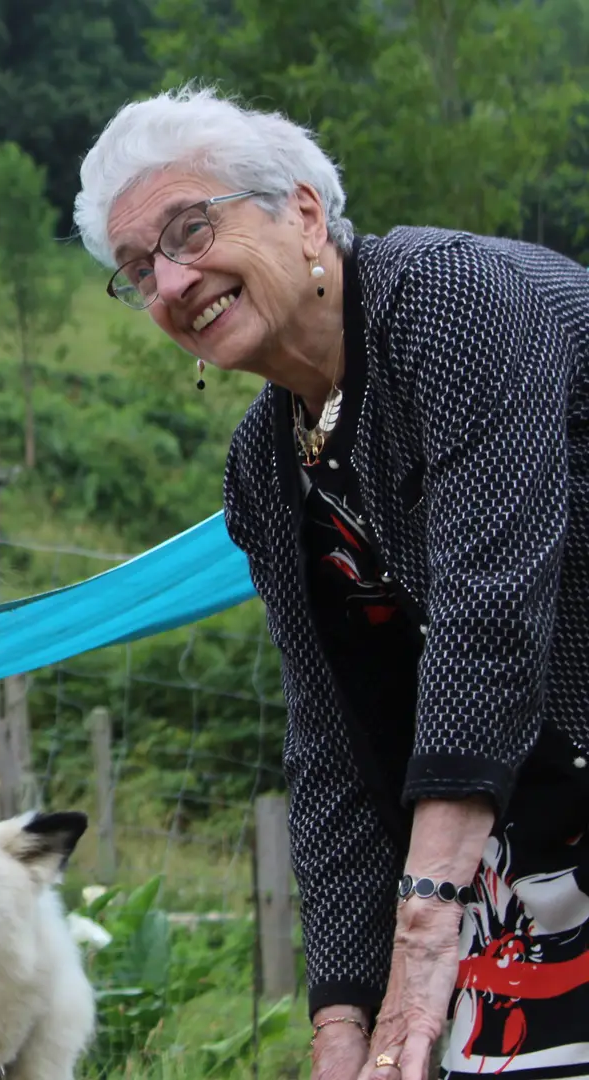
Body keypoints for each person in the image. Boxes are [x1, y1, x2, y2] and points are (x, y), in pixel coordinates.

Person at [74, 84, 589, 1080]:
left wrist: (428, 919)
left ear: (304, 211)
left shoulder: (451, 298)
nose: (172, 281)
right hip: (528, 839)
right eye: (139, 270)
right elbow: (331, 736)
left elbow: (490, 613)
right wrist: (342, 1013)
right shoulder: (265, 466)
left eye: (190, 230)